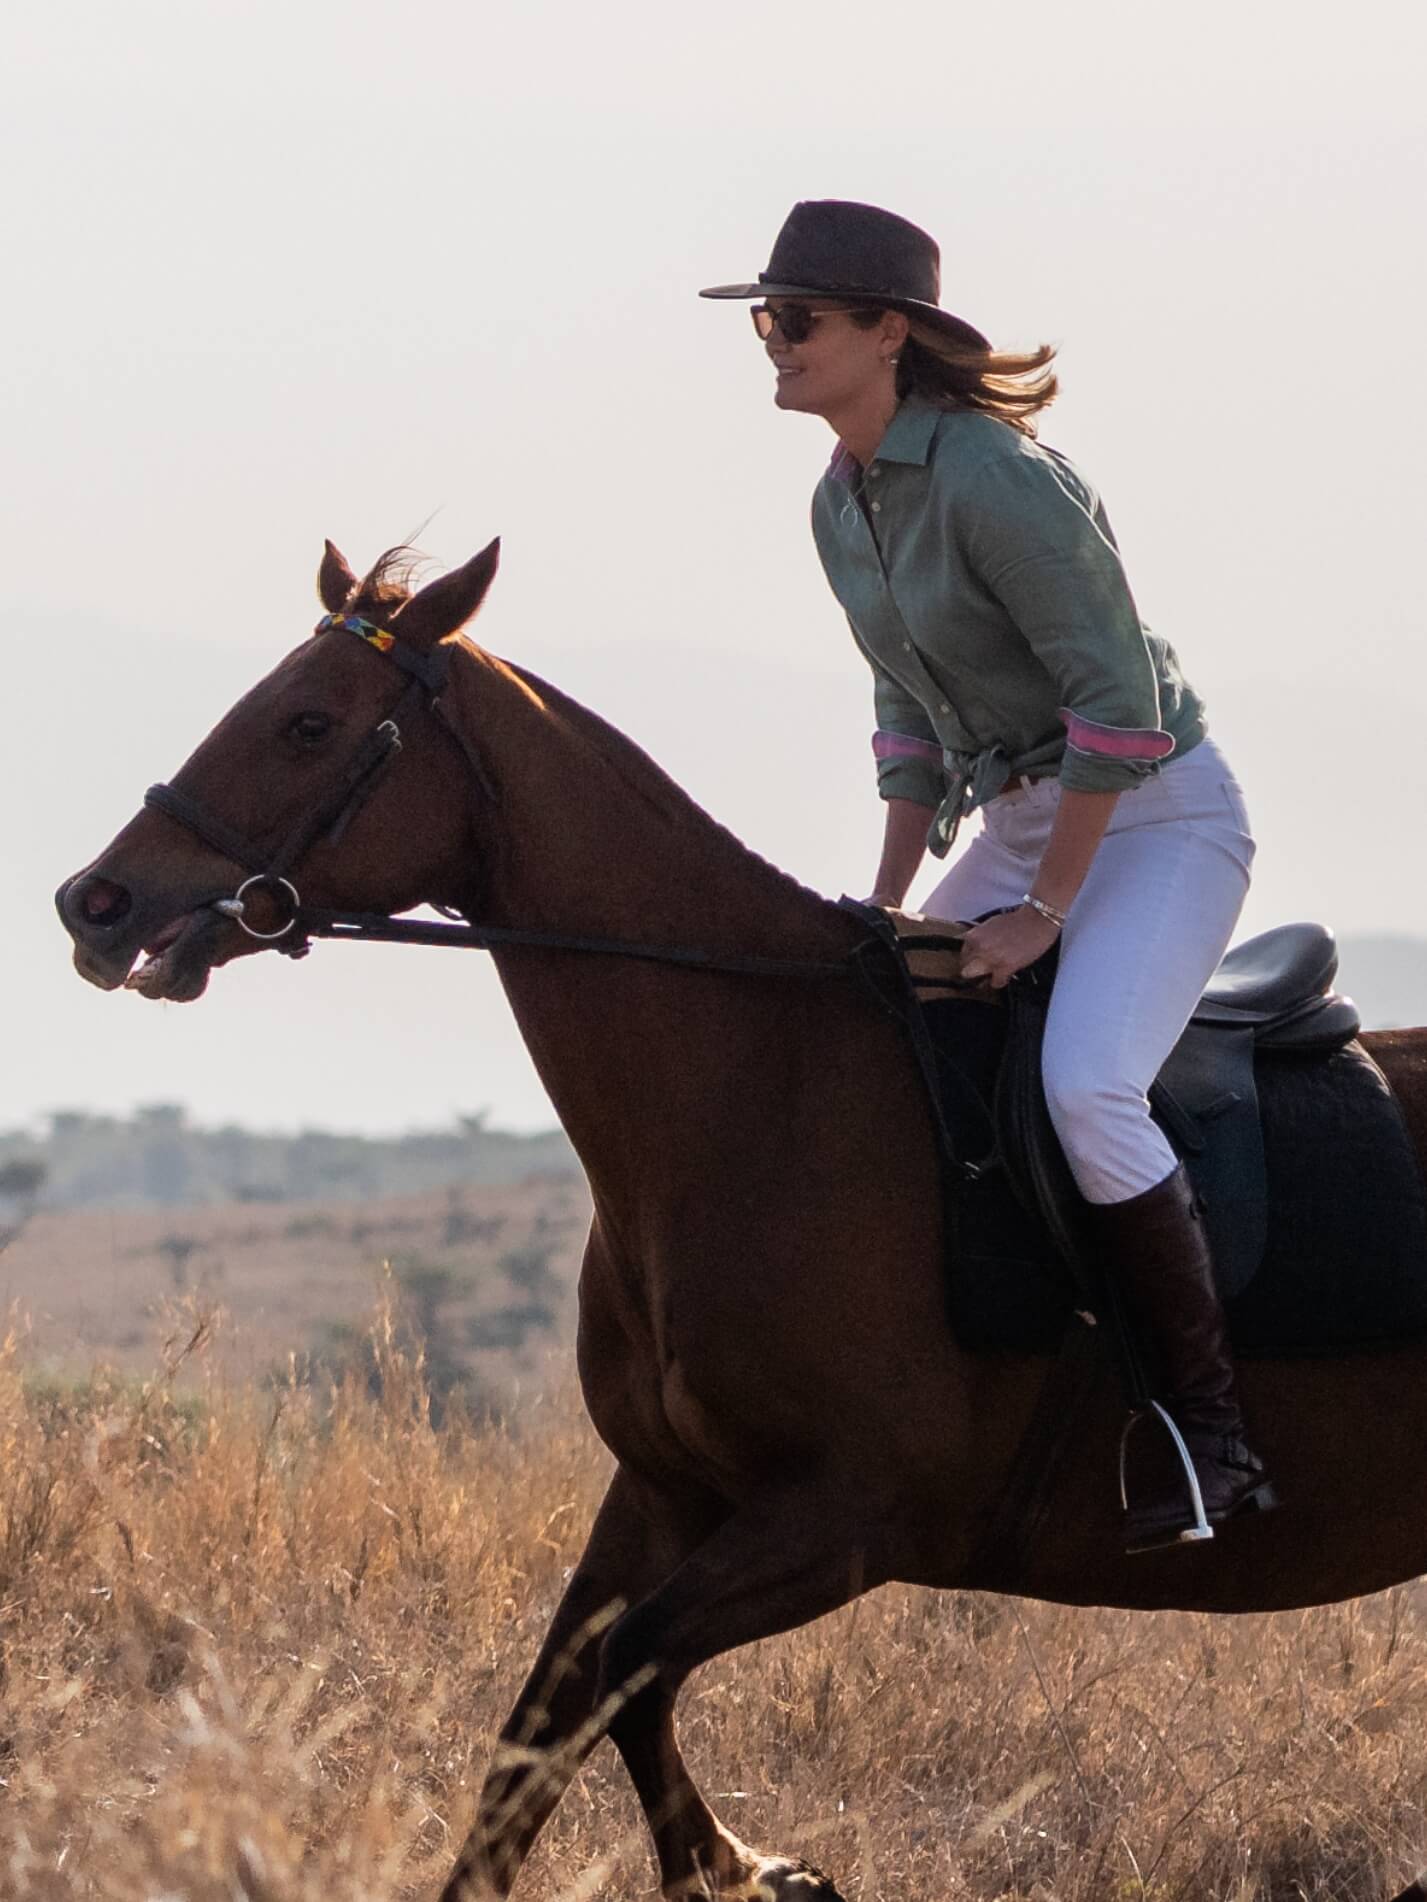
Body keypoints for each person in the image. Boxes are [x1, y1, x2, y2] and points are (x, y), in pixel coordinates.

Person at [701, 199, 1278, 1553]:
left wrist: (1046, 912)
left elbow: (1119, 708)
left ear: (888, 332)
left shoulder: (998, 477)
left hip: (1156, 818)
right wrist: (895, 901)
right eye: (763, 322)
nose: (771, 344)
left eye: (797, 321)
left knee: (1087, 1084)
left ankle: (1210, 1430)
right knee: (873, 1024)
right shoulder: (839, 505)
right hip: (1019, 820)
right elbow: (906, 722)